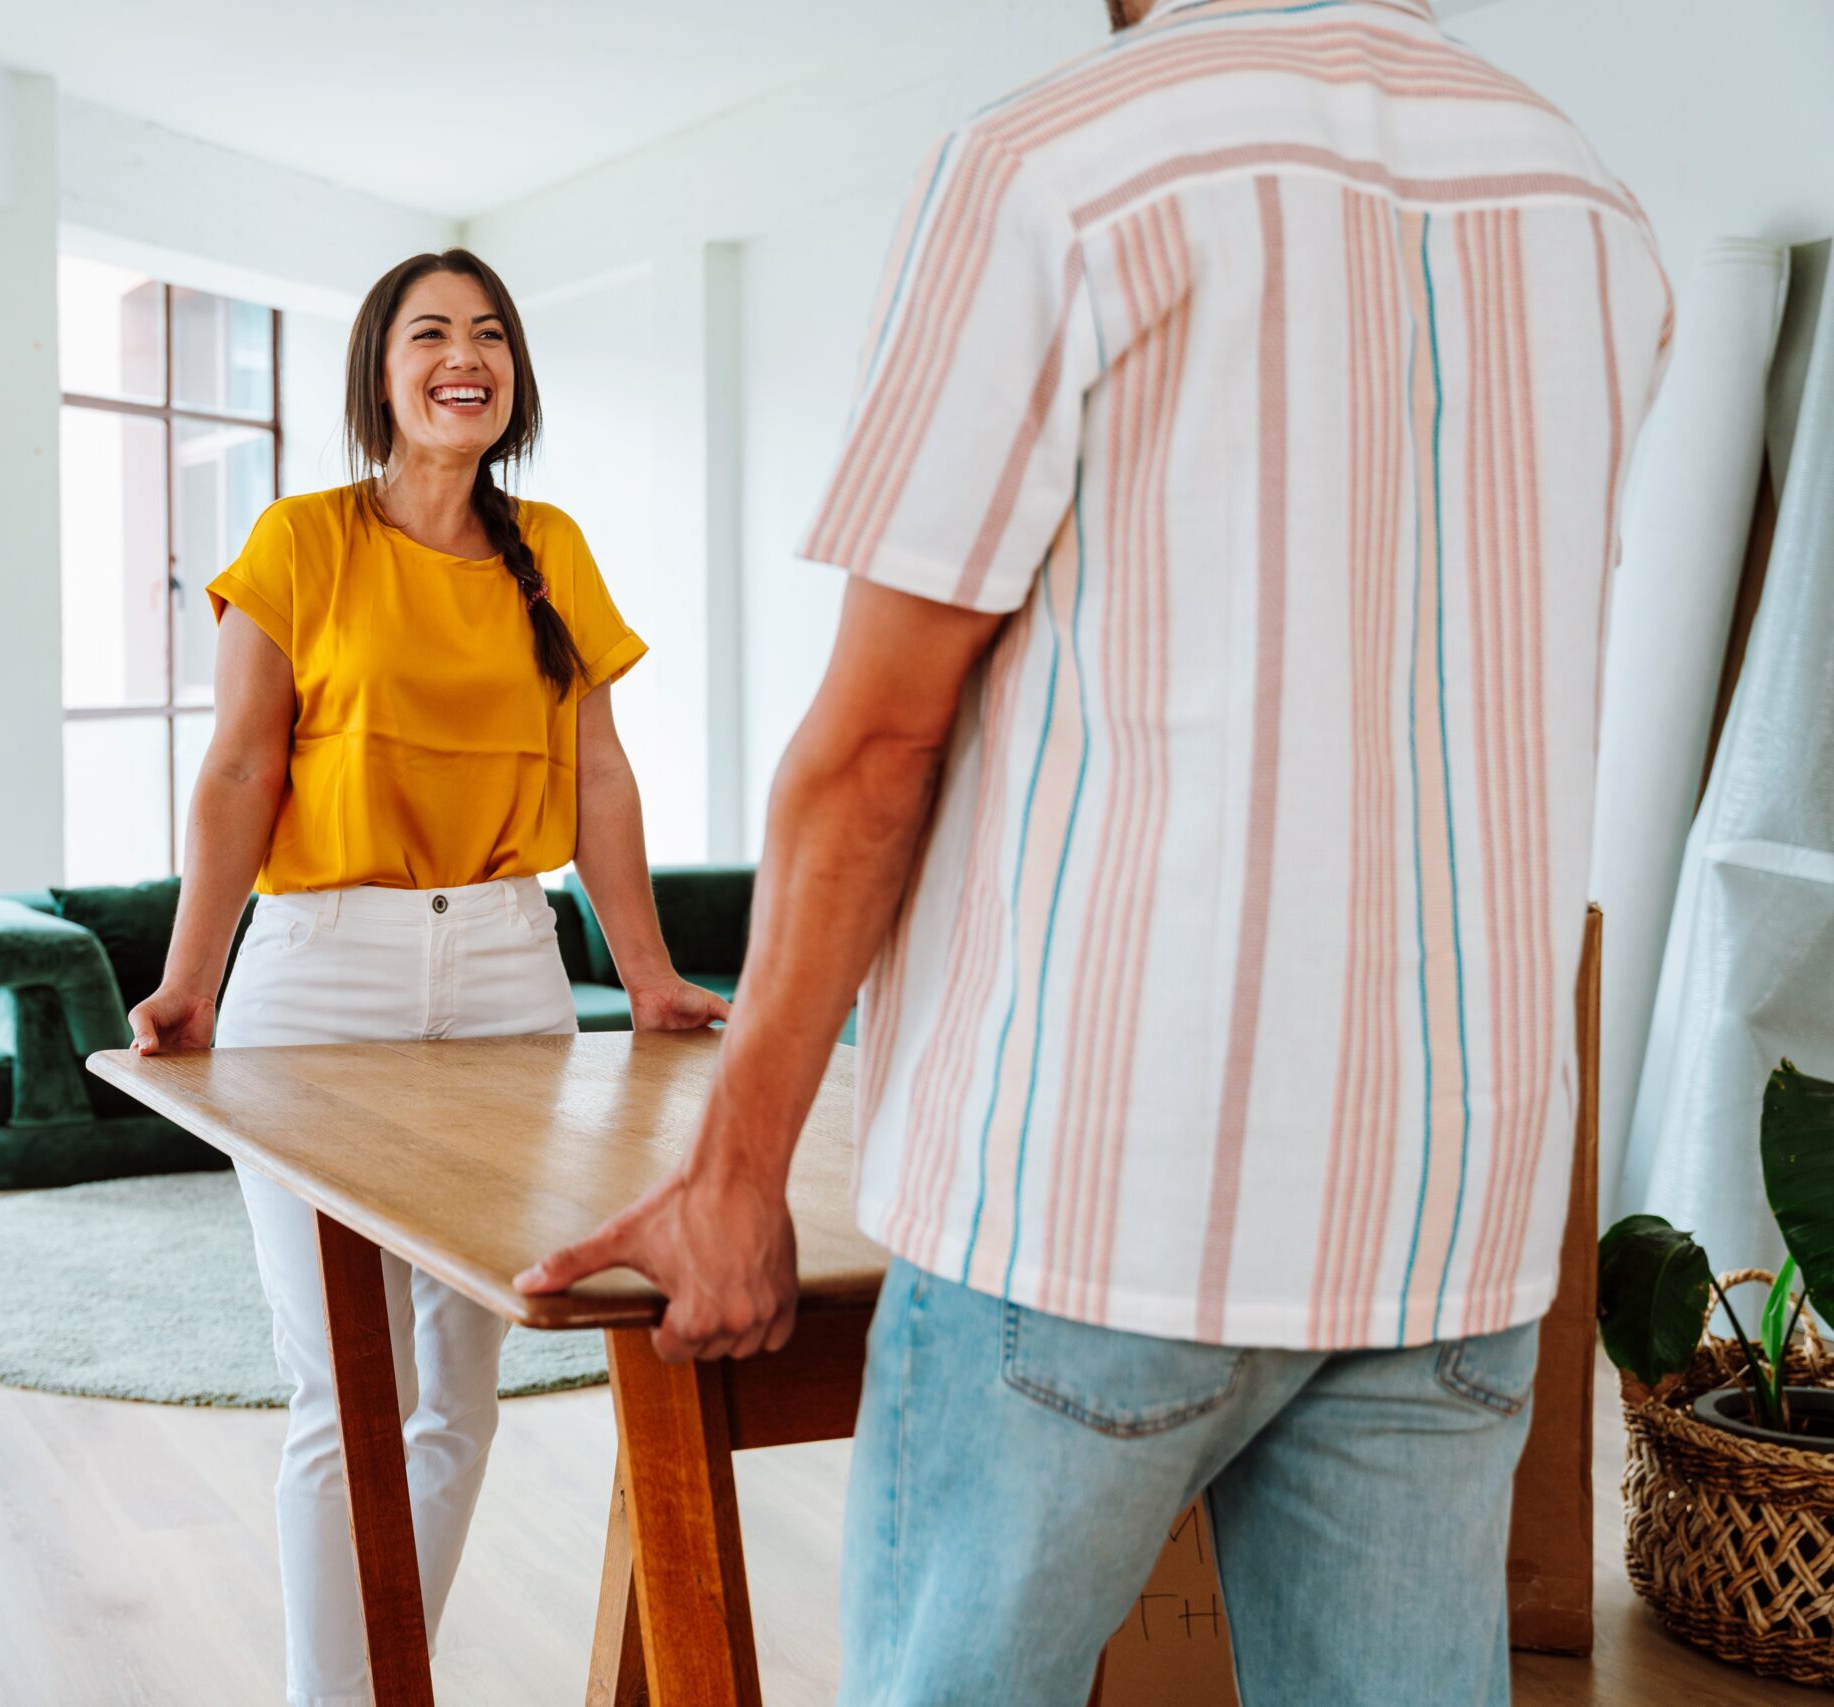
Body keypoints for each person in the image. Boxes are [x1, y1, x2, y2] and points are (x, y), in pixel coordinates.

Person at [517, 0, 1674, 1701]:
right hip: (1456, 1199)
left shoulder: (1061, 162)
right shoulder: (1592, 211)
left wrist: (736, 1175)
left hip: (1103, 1191)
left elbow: (874, 749)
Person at [127, 247, 728, 1707]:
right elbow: (240, 770)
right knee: (350, 1388)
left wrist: (643, 975)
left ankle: (387, 1680)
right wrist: (189, 977)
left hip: (514, 974)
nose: (466, 357)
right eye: (431, 334)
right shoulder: (301, 539)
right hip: (321, 979)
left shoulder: (553, 551)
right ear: (380, 373)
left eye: (491, 336)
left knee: (463, 1391)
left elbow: (599, 772)